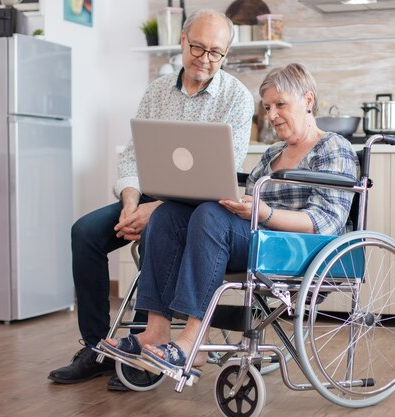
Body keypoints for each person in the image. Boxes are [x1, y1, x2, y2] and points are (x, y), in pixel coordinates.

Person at [99, 63, 359, 378]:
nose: (272, 115)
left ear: (307, 100)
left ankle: (193, 341)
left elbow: (326, 222)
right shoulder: (271, 154)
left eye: (281, 105)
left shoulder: (333, 147)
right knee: (167, 215)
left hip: (300, 248)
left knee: (210, 216)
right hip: (258, 240)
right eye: (267, 107)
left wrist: (264, 213)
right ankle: (155, 330)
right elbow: (250, 209)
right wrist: (236, 203)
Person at [48, 9, 255, 388]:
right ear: (182, 41)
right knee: (85, 233)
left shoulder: (236, 99)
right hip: (145, 194)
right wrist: (131, 202)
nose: (205, 59)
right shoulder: (158, 91)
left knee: (162, 222)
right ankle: (96, 349)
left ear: (225, 54)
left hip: (194, 205)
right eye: (198, 47)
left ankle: (146, 350)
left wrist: (153, 208)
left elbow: (218, 176)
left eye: (216, 53)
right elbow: (132, 154)